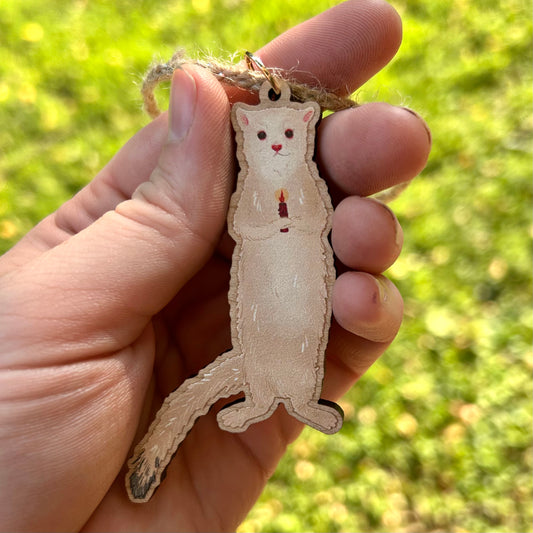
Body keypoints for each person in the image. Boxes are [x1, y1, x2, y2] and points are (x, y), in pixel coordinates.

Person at [0, 0, 431, 530]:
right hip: (259, 294)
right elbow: (245, 226)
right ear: (246, 133)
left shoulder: (310, 189)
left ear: (304, 126)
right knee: (252, 351)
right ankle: (252, 401)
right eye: (263, 137)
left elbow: (318, 219)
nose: (276, 144)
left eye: (290, 136)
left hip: (300, 291)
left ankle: (299, 399)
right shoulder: (248, 188)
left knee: (303, 341)